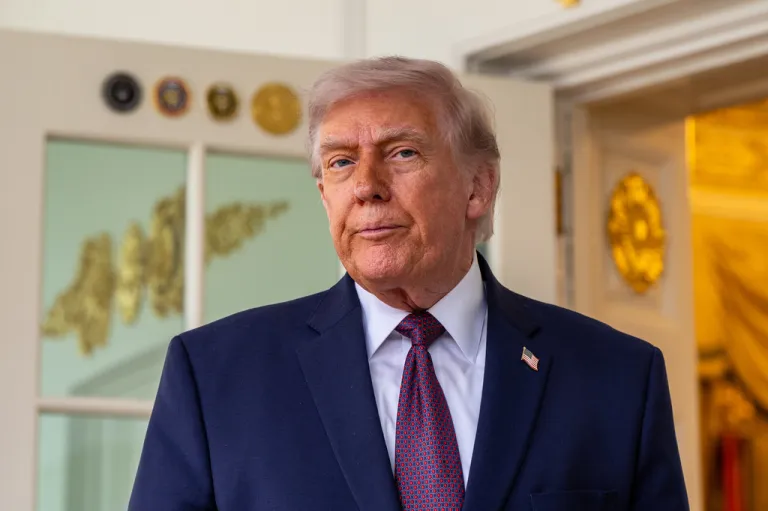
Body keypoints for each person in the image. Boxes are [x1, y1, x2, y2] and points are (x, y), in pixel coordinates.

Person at [128, 57, 690, 511]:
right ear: (325, 196)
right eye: (341, 163)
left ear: (479, 187)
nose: (366, 186)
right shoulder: (214, 376)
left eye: (402, 153)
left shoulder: (618, 377)